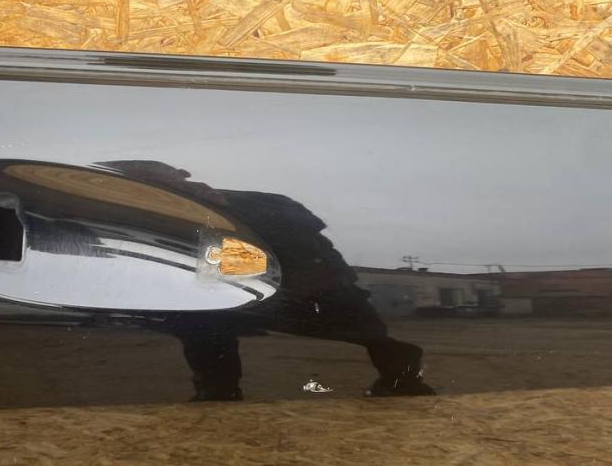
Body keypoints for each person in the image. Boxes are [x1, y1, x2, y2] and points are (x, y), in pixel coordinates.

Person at [100, 161, 435, 401]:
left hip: (305, 276)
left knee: (362, 329)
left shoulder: (242, 202)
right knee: (204, 325)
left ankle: (402, 378)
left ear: (177, 176)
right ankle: (217, 391)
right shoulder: (190, 211)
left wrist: (225, 214)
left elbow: (304, 232)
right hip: (279, 274)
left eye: (153, 181)